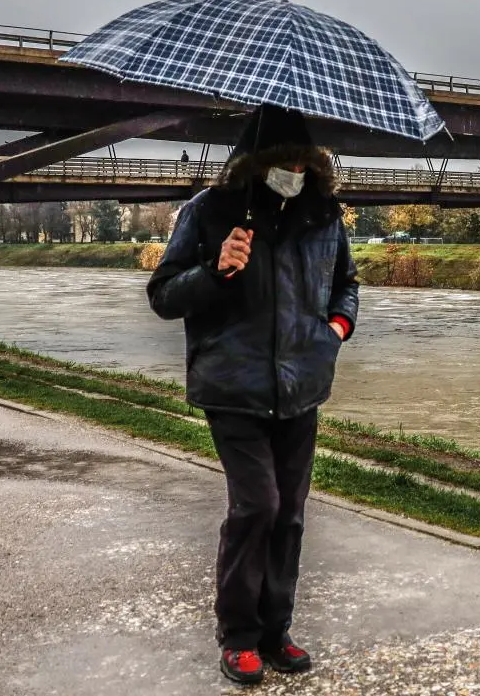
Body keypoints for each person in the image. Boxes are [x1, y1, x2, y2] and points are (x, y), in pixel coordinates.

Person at [146, 105, 357, 686]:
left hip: (302, 386)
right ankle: (238, 635)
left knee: (288, 514)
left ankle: (275, 630)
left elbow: (346, 286)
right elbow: (163, 295)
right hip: (233, 386)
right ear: (256, 163)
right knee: (257, 505)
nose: (293, 169)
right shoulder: (209, 212)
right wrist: (216, 270)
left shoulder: (324, 216)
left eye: (302, 161)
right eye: (282, 161)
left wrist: (333, 331)